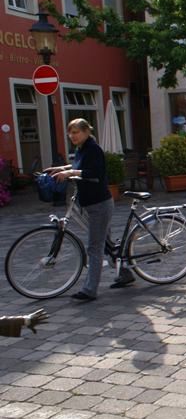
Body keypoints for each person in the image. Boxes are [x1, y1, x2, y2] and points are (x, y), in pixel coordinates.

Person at [44, 119, 135, 301]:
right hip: (90, 203)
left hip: (99, 204)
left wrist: (69, 174)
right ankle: (126, 274)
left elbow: (93, 172)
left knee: (95, 247)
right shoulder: (82, 149)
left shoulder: (93, 149)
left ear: (87, 131)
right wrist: (60, 168)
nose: (72, 136)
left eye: (76, 132)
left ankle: (90, 290)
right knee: (106, 242)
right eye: (70, 133)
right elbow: (78, 166)